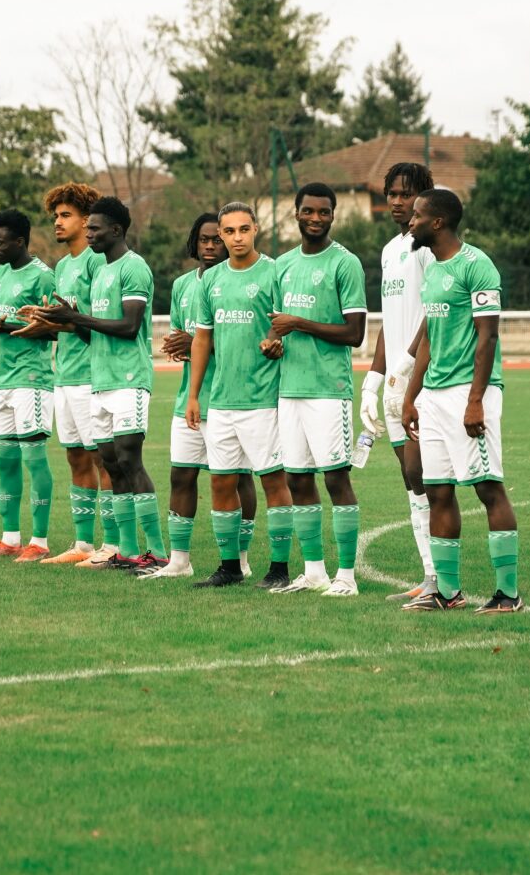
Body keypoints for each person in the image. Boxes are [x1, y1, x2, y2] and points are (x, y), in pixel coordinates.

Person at [400, 188, 522, 613]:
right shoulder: (433, 269)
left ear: (437, 222)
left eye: (417, 215)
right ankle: (447, 592)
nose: (410, 222)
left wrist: (476, 401)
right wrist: (411, 396)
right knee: (438, 491)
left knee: (488, 488)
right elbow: (430, 339)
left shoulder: (478, 265)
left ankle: (509, 593)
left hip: (470, 392)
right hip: (433, 396)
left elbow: (488, 335)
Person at [32, 196, 166, 571]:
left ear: (116, 230)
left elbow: (129, 327)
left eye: (94, 228)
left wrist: (77, 318)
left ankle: (156, 550)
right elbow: (95, 336)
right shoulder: (103, 271)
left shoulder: (133, 268)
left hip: (128, 380)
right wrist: (67, 322)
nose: (89, 234)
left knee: (129, 459)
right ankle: (124, 550)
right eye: (87, 227)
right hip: (100, 381)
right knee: (110, 461)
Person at [185, 203, 295, 589]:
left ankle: (279, 569)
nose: (235, 238)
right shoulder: (210, 280)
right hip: (221, 402)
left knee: (273, 482)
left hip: (263, 400)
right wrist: (194, 395)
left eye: (242, 230)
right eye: (228, 232)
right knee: (220, 483)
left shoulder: (275, 272)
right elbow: (202, 339)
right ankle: (229, 566)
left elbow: (285, 326)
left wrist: (276, 342)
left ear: (256, 230)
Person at [145, 213, 258, 579]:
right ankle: (179, 561)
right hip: (188, 399)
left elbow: (239, 342)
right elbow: (180, 342)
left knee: (239, 480)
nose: (210, 245)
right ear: (194, 243)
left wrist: (195, 344)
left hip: (231, 399)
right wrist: (183, 346)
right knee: (181, 476)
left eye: (216, 238)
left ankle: (240, 560)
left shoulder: (240, 280)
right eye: (203, 239)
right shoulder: (182, 285)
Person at [270, 182, 367, 595]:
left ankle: (346, 575)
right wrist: (273, 343)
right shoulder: (282, 265)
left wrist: (298, 324)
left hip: (330, 389)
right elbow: (276, 325)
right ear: (295, 213)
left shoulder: (345, 264)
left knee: (335, 479)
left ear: (333, 215)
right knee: (297, 479)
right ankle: (314, 571)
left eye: (323, 212)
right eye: (308, 211)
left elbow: (355, 333)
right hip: (289, 388)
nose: (315, 218)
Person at [360, 162, 438, 600]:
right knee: (409, 479)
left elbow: (434, 312)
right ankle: (429, 575)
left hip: (421, 381)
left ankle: (442, 577)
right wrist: (372, 380)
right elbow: (390, 320)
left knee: (420, 471)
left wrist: (411, 367)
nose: (395, 201)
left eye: (405, 194)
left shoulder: (430, 249)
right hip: (393, 383)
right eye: (390, 193)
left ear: (425, 197)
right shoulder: (391, 250)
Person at [33, 182, 118, 565]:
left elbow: (95, 320)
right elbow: (65, 321)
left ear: (88, 221)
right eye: (55, 216)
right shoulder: (62, 267)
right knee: (76, 459)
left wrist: (65, 320)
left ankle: (112, 544)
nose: (58, 222)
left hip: (92, 376)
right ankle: (83, 544)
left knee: (104, 460)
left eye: (65, 215)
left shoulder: (98, 263)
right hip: (63, 375)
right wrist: (40, 320)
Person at [0, 209, 58, 561]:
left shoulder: (43, 277)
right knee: (6, 459)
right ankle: (10, 538)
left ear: (20, 242)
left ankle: (39, 541)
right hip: (2, 378)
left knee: (34, 459)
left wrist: (3, 325)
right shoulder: (1, 273)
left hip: (32, 379)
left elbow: (56, 327)